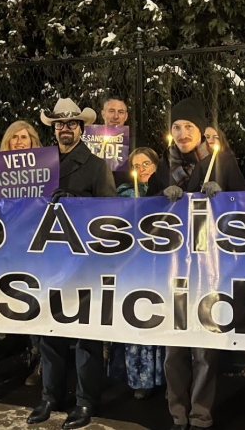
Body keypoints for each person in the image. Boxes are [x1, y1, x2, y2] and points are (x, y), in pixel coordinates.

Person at [145, 98, 245, 430]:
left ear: (202, 131)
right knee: (174, 350)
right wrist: (161, 196)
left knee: (204, 350)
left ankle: (200, 414)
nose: (182, 132)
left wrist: (226, 199)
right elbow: (145, 213)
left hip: (210, 269)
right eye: (176, 127)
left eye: (188, 126)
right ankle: (177, 413)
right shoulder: (162, 166)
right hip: (173, 269)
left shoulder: (223, 161)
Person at [27, 98, 117, 430]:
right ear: (53, 128)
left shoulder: (95, 166)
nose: (65, 129)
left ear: (81, 128)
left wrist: (78, 204)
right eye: (60, 124)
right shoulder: (37, 166)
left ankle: (85, 400)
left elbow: (110, 216)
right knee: (49, 333)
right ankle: (50, 396)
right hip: (46, 260)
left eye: (72, 124)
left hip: (83, 264)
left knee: (85, 337)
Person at [107, 147, 165, 399]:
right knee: (136, 316)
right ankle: (138, 378)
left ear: (156, 166)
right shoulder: (122, 196)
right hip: (131, 266)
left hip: (159, 264)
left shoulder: (165, 191)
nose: (142, 169)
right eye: (136, 165)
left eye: (147, 164)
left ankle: (163, 377)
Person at [0, 119, 43, 387]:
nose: (19, 142)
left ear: (33, 142)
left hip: (37, 243)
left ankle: (38, 355)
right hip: (9, 243)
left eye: (24, 137)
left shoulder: (45, 170)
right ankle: (28, 347)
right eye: (14, 137)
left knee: (35, 299)